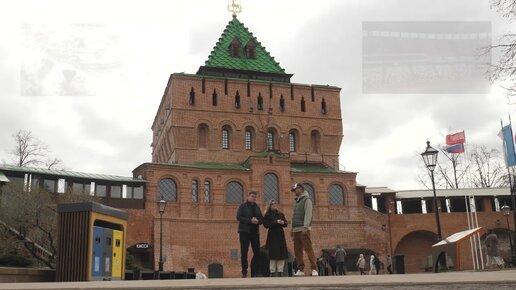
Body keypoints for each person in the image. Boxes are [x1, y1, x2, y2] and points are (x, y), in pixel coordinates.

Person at [290, 183, 318, 276]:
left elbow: (308, 213)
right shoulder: (297, 201)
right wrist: (291, 229)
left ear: (300, 189)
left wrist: (305, 226)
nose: (294, 192)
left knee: (308, 248)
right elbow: (293, 216)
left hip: (303, 228)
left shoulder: (307, 199)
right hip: (296, 230)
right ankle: (301, 269)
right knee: (297, 251)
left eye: (295, 190)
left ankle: (314, 268)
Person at [236, 191, 263, 278]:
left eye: (255, 197)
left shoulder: (257, 207)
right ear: (248, 197)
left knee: (257, 252)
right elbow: (239, 217)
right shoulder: (243, 206)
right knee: (244, 252)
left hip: (255, 232)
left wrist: (258, 221)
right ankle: (244, 271)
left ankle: (257, 271)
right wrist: (250, 220)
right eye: (252, 196)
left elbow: (261, 219)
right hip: (244, 232)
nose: (253, 198)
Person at [262, 199, 289, 277]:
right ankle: (272, 271)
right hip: (272, 235)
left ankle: (280, 271)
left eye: (275, 204)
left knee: (281, 253)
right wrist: (275, 222)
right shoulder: (267, 215)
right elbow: (266, 225)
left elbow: (286, 223)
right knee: (272, 254)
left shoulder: (280, 214)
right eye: (272, 204)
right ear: (269, 206)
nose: (274, 205)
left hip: (280, 235)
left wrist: (283, 222)